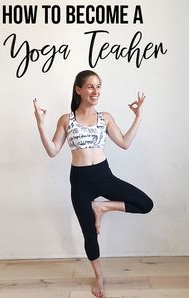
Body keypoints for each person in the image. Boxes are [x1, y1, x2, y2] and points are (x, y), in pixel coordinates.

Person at [33, 70, 153, 298]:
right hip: (80, 182)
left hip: (104, 176)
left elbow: (125, 143)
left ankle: (102, 207)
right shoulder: (66, 120)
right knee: (89, 234)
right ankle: (99, 276)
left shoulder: (105, 117)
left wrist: (138, 117)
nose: (95, 91)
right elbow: (52, 151)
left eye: (98, 86)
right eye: (90, 86)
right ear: (78, 89)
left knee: (145, 203)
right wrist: (40, 125)